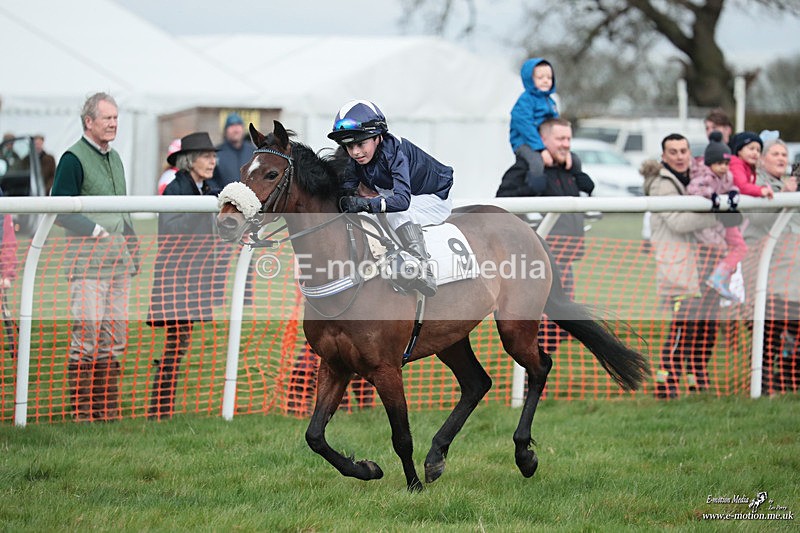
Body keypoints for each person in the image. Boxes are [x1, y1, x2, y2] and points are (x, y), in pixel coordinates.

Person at [50, 92, 138, 422]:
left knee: (114, 338)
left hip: (119, 263)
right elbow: (59, 209)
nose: (114, 123)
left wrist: (132, 242)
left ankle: (107, 409)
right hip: (87, 263)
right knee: (86, 337)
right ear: (89, 122)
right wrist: (95, 230)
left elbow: (122, 207)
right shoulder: (72, 159)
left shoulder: (115, 158)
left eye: (116, 118)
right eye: (107, 118)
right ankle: (82, 412)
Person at [328, 99, 454, 297]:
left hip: (434, 197)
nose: (355, 152)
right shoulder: (356, 159)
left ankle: (422, 269)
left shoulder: (395, 152)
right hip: (405, 194)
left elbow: (402, 202)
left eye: (360, 144)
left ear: (378, 137)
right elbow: (346, 191)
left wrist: (365, 203)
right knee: (369, 215)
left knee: (396, 213)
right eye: (349, 147)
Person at [641, 133, 732, 398]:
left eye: (684, 150)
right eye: (674, 152)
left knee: (704, 326)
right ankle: (666, 383)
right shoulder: (661, 184)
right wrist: (718, 217)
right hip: (677, 267)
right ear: (664, 156)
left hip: (704, 263)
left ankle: (696, 379)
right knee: (683, 327)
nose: (680, 156)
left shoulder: (698, 175)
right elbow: (678, 222)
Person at [497, 117, 594, 352]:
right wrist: (532, 185)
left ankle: (539, 373)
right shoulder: (526, 168)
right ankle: (536, 375)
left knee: (561, 321)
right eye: (560, 138)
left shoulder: (567, 169)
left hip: (565, 258)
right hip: (538, 260)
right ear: (543, 140)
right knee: (544, 322)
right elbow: (501, 201)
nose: (566, 144)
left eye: (569, 138)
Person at [146, 132, 219, 420]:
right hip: (176, 279)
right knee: (175, 345)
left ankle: (162, 408)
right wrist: (201, 210)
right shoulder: (176, 188)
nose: (212, 161)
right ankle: (159, 409)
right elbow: (170, 229)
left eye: (214, 155)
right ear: (190, 161)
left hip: (194, 277)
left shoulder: (206, 187)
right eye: (206, 156)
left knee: (179, 344)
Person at [742, 137, 799, 395]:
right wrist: (786, 194)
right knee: (767, 334)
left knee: (791, 333)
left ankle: (786, 379)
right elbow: (757, 218)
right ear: (762, 159)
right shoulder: (758, 184)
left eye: (784, 154)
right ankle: (762, 384)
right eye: (775, 153)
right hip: (767, 276)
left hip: (791, 278)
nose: (781, 158)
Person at [686, 131, 747, 301]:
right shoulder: (705, 175)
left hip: (720, 222)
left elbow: (732, 186)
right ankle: (717, 280)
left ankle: (719, 280)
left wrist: (733, 193)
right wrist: (711, 194)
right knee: (721, 248)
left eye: (726, 163)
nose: (723, 167)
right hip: (706, 225)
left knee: (736, 247)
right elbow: (692, 189)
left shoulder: (727, 176)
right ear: (710, 163)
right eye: (719, 163)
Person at [508, 58, 580, 182]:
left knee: (574, 160)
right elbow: (525, 126)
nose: (546, 81)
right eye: (540, 78)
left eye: (549, 77)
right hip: (525, 142)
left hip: (546, 141)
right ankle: (535, 189)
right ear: (530, 80)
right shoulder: (525, 101)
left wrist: (561, 148)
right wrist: (540, 148)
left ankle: (577, 186)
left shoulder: (550, 101)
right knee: (537, 163)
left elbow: (555, 125)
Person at [208, 112, 255, 192]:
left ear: (243, 129)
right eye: (232, 126)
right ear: (225, 131)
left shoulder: (253, 151)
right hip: (224, 200)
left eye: (238, 125)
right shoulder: (216, 152)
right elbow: (210, 179)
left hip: (250, 199)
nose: (236, 130)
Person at [729, 131, 774, 200]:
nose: (755, 153)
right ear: (739, 151)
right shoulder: (736, 165)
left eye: (758, 150)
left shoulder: (750, 167)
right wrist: (761, 190)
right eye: (751, 148)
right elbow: (742, 186)